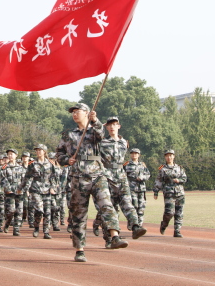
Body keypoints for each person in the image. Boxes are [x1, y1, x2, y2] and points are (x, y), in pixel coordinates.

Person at [56, 103, 127, 263]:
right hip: (78, 177)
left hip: (97, 175)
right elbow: (59, 153)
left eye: (78, 111)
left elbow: (101, 134)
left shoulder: (94, 130)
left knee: (106, 205)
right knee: (79, 214)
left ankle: (114, 236)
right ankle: (79, 249)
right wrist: (67, 159)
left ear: (87, 113)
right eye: (73, 112)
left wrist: (95, 120)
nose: (74, 114)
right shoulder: (68, 134)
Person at [95, 117, 147, 247]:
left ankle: (135, 226)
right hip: (107, 176)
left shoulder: (124, 142)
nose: (112, 127)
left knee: (127, 202)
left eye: (115, 124)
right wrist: (98, 125)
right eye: (109, 125)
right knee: (110, 209)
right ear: (106, 127)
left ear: (119, 126)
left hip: (121, 176)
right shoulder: (102, 142)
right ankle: (109, 239)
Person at [18, 145, 57, 239]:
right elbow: (26, 177)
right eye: (37, 150)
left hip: (47, 190)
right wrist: (21, 188)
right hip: (36, 189)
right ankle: (36, 227)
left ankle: (46, 232)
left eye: (40, 150)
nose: (38, 152)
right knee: (39, 210)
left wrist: (53, 188)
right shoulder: (32, 164)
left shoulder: (50, 164)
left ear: (44, 152)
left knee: (47, 212)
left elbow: (54, 178)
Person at [153, 150, 187, 238]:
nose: (169, 157)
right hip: (169, 193)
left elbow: (184, 178)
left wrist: (179, 180)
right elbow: (159, 180)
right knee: (169, 212)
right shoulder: (162, 169)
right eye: (167, 156)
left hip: (180, 193)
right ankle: (164, 224)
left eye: (171, 155)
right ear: (165, 157)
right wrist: (156, 191)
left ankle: (177, 231)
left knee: (179, 212)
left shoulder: (179, 168)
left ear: (173, 156)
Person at [124, 148, 150, 228]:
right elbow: (123, 176)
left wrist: (142, 177)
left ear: (139, 155)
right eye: (132, 153)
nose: (134, 155)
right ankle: (132, 223)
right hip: (131, 188)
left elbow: (148, 175)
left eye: (136, 153)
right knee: (134, 206)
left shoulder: (142, 165)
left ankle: (140, 225)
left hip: (141, 188)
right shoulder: (127, 165)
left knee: (141, 207)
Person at [2, 148, 26, 236]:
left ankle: (16, 229)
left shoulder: (21, 168)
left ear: (16, 155)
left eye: (11, 154)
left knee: (19, 211)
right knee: (11, 211)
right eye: (8, 154)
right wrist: (8, 189)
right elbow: (2, 179)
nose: (10, 156)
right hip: (10, 193)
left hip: (19, 192)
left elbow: (24, 180)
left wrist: (23, 189)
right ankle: (7, 223)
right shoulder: (4, 167)